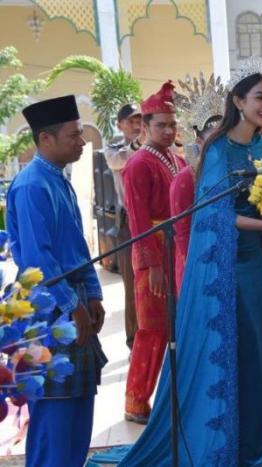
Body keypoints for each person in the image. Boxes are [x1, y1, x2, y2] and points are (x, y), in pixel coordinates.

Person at [117, 60, 262, 466]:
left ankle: (256, 444)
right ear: (238, 102)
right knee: (240, 352)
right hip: (232, 264)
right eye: (259, 97)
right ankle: (232, 446)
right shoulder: (218, 150)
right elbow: (215, 215)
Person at [7, 95, 108, 467]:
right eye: (74, 135)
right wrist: (72, 305)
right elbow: (38, 260)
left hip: (73, 302)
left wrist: (93, 294)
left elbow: (77, 245)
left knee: (78, 411)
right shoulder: (31, 186)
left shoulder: (58, 180)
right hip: (50, 311)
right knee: (55, 414)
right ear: (46, 139)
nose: (82, 142)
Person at [121, 81, 188, 424]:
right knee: (152, 328)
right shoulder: (138, 164)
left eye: (172, 124)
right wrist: (153, 265)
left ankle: (170, 397)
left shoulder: (177, 159)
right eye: (161, 125)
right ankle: (136, 401)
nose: (168, 131)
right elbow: (137, 219)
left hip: (176, 250)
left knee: (176, 325)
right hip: (153, 254)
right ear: (144, 127)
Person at [170, 114, 222, 292]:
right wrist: (197, 266)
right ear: (199, 142)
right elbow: (182, 231)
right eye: (214, 140)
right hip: (196, 263)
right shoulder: (185, 179)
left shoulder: (231, 173)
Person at [104, 103, 142, 351]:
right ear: (120, 125)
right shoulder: (114, 149)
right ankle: (134, 342)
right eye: (131, 120)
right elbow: (119, 161)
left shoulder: (152, 144)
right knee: (133, 285)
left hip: (156, 222)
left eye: (140, 119)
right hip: (129, 223)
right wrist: (141, 144)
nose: (137, 124)